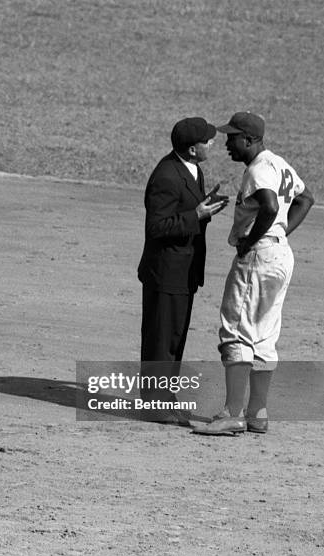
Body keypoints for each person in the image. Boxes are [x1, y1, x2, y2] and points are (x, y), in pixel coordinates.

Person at [193, 112, 314, 435]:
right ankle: (257, 413)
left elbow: (270, 206)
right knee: (264, 334)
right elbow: (305, 198)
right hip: (280, 255)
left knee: (236, 330)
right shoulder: (279, 163)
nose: (227, 143)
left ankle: (233, 413)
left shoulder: (259, 168)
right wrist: (281, 232)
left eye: (232, 138)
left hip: (259, 258)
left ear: (249, 140)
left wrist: (251, 239)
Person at [137, 117, 228, 424]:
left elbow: (185, 212)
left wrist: (205, 208)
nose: (212, 144)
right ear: (192, 149)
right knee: (161, 341)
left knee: (174, 339)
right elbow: (157, 227)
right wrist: (196, 214)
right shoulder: (166, 175)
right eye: (207, 141)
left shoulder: (193, 170)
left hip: (184, 271)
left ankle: (166, 398)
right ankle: (153, 405)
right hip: (165, 273)